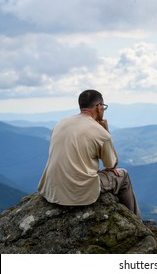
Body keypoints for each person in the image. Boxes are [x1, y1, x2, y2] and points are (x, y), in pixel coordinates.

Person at [38, 89, 142, 220]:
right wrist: (106, 131)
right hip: (79, 193)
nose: (103, 110)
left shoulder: (60, 123)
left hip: (51, 189)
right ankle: (136, 221)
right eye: (103, 107)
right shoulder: (100, 132)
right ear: (98, 107)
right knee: (123, 175)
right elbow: (112, 164)